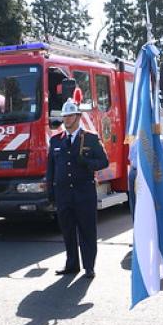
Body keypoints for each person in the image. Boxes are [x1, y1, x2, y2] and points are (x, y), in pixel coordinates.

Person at [46, 98, 109, 278]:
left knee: (87, 231)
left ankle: (89, 266)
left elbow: (103, 162)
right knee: (67, 231)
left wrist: (87, 163)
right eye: (65, 116)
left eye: (70, 115)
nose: (66, 119)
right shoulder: (56, 140)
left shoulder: (90, 138)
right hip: (64, 193)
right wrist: (50, 191)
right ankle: (72, 264)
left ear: (78, 117)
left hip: (84, 193)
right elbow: (51, 168)